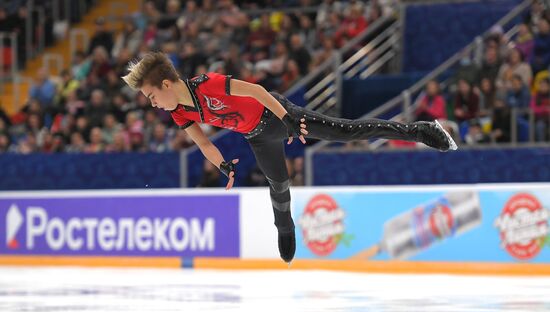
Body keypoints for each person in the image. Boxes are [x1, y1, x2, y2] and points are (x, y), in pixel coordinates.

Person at [121, 52, 457, 264]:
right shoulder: (179, 112)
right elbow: (203, 144)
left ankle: (420, 130)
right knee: (278, 186)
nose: (152, 104)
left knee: (348, 131)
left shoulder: (208, 84)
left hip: (279, 114)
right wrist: (221, 164)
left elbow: (257, 92)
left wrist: (289, 120)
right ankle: (286, 228)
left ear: (166, 83)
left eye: (151, 96)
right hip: (256, 137)